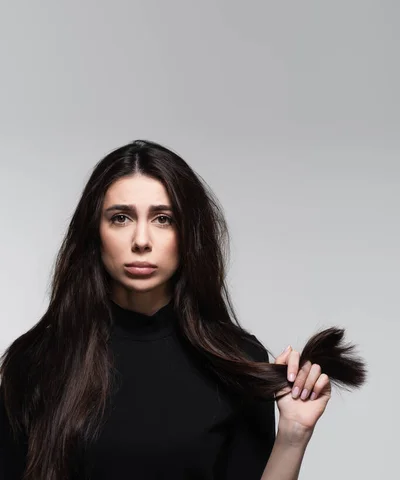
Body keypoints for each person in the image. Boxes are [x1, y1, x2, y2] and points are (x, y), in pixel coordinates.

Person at [0, 139, 332, 480]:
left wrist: (293, 434)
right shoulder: (35, 361)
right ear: (94, 232)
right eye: (120, 218)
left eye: (163, 219)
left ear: (188, 233)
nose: (141, 240)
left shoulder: (238, 361)